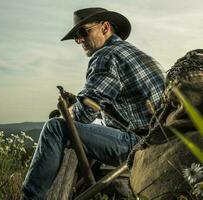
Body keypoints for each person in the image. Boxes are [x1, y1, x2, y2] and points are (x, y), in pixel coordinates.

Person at [22, 7, 165, 200]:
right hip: (160, 139)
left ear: (105, 28)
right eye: (76, 36)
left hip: (140, 145)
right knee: (91, 126)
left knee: (55, 128)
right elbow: (117, 108)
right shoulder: (134, 53)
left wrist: (68, 110)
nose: (79, 40)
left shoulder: (106, 55)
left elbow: (83, 114)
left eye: (83, 32)